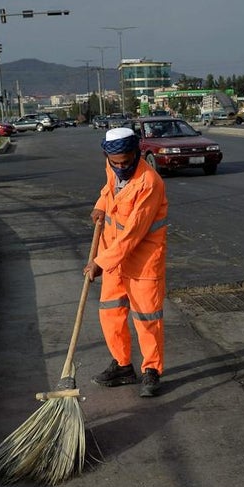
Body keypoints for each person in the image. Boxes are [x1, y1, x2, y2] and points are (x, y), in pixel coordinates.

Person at [86, 127, 168, 398]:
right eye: (115, 162)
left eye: (126, 162)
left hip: (142, 260)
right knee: (111, 312)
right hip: (113, 256)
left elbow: (134, 232)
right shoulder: (112, 166)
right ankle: (122, 366)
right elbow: (110, 190)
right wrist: (100, 204)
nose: (121, 167)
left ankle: (152, 371)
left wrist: (100, 261)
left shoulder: (150, 182)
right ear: (108, 157)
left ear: (136, 153)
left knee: (146, 316)